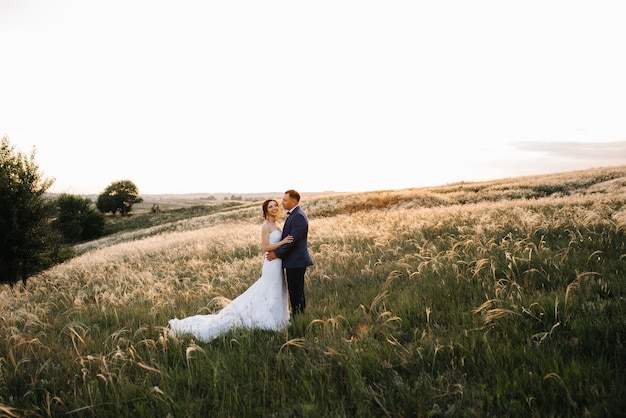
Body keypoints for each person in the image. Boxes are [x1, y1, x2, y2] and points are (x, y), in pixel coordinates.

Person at [168, 199, 293, 342]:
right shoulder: (266, 226)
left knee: (277, 289)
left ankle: (277, 319)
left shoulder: (276, 224)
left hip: (277, 262)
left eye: (276, 205)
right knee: (267, 289)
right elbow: (265, 247)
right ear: (265, 210)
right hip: (271, 263)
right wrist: (283, 242)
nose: (274, 208)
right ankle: (265, 319)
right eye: (271, 207)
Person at [266, 190, 313, 315]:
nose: (282, 202)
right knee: (297, 291)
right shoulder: (294, 214)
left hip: (296, 261)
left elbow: (292, 241)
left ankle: (298, 318)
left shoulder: (298, 216)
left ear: (293, 202)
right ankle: (301, 315)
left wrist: (276, 254)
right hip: (295, 261)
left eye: (285, 200)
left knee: (295, 292)